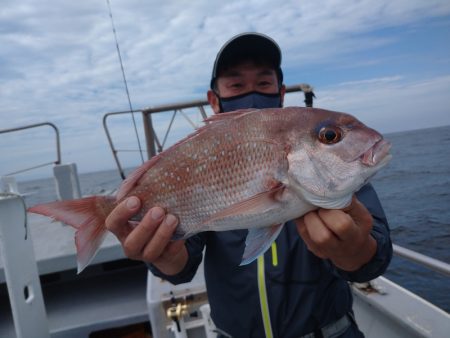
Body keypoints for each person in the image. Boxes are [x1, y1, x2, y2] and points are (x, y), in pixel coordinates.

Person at [105, 33, 392, 338]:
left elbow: (376, 250)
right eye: (236, 85)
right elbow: (182, 260)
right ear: (214, 99)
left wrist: (360, 252)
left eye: (264, 83)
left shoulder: (341, 178)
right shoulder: (202, 158)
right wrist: (167, 261)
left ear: (280, 93)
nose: (251, 93)